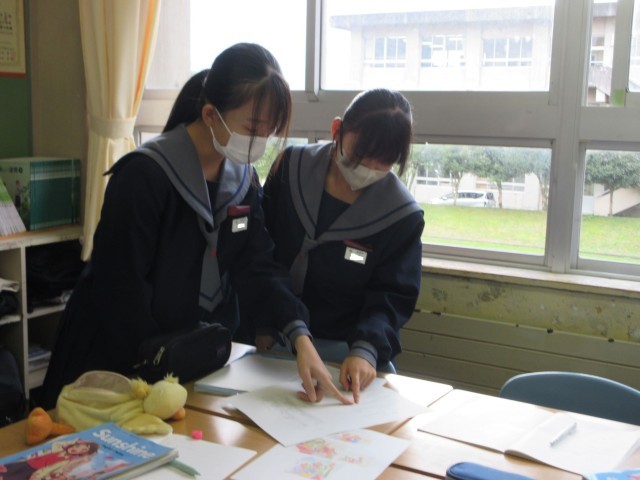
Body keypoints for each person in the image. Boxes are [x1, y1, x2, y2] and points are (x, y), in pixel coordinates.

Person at [42, 43, 350, 408]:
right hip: (116, 360)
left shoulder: (242, 180)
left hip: (187, 361)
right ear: (210, 115)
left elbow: (257, 266)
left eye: (269, 130)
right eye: (253, 127)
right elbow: (121, 292)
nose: (260, 141)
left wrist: (299, 336)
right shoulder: (143, 176)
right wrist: (152, 373)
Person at [256, 88, 424, 402]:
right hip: (276, 336)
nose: (368, 168)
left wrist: (365, 349)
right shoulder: (290, 168)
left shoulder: (402, 216)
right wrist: (270, 325)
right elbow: (261, 257)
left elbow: (392, 296)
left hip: (344, 352)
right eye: (360, 156)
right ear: (337, 130)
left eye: (384, 162)